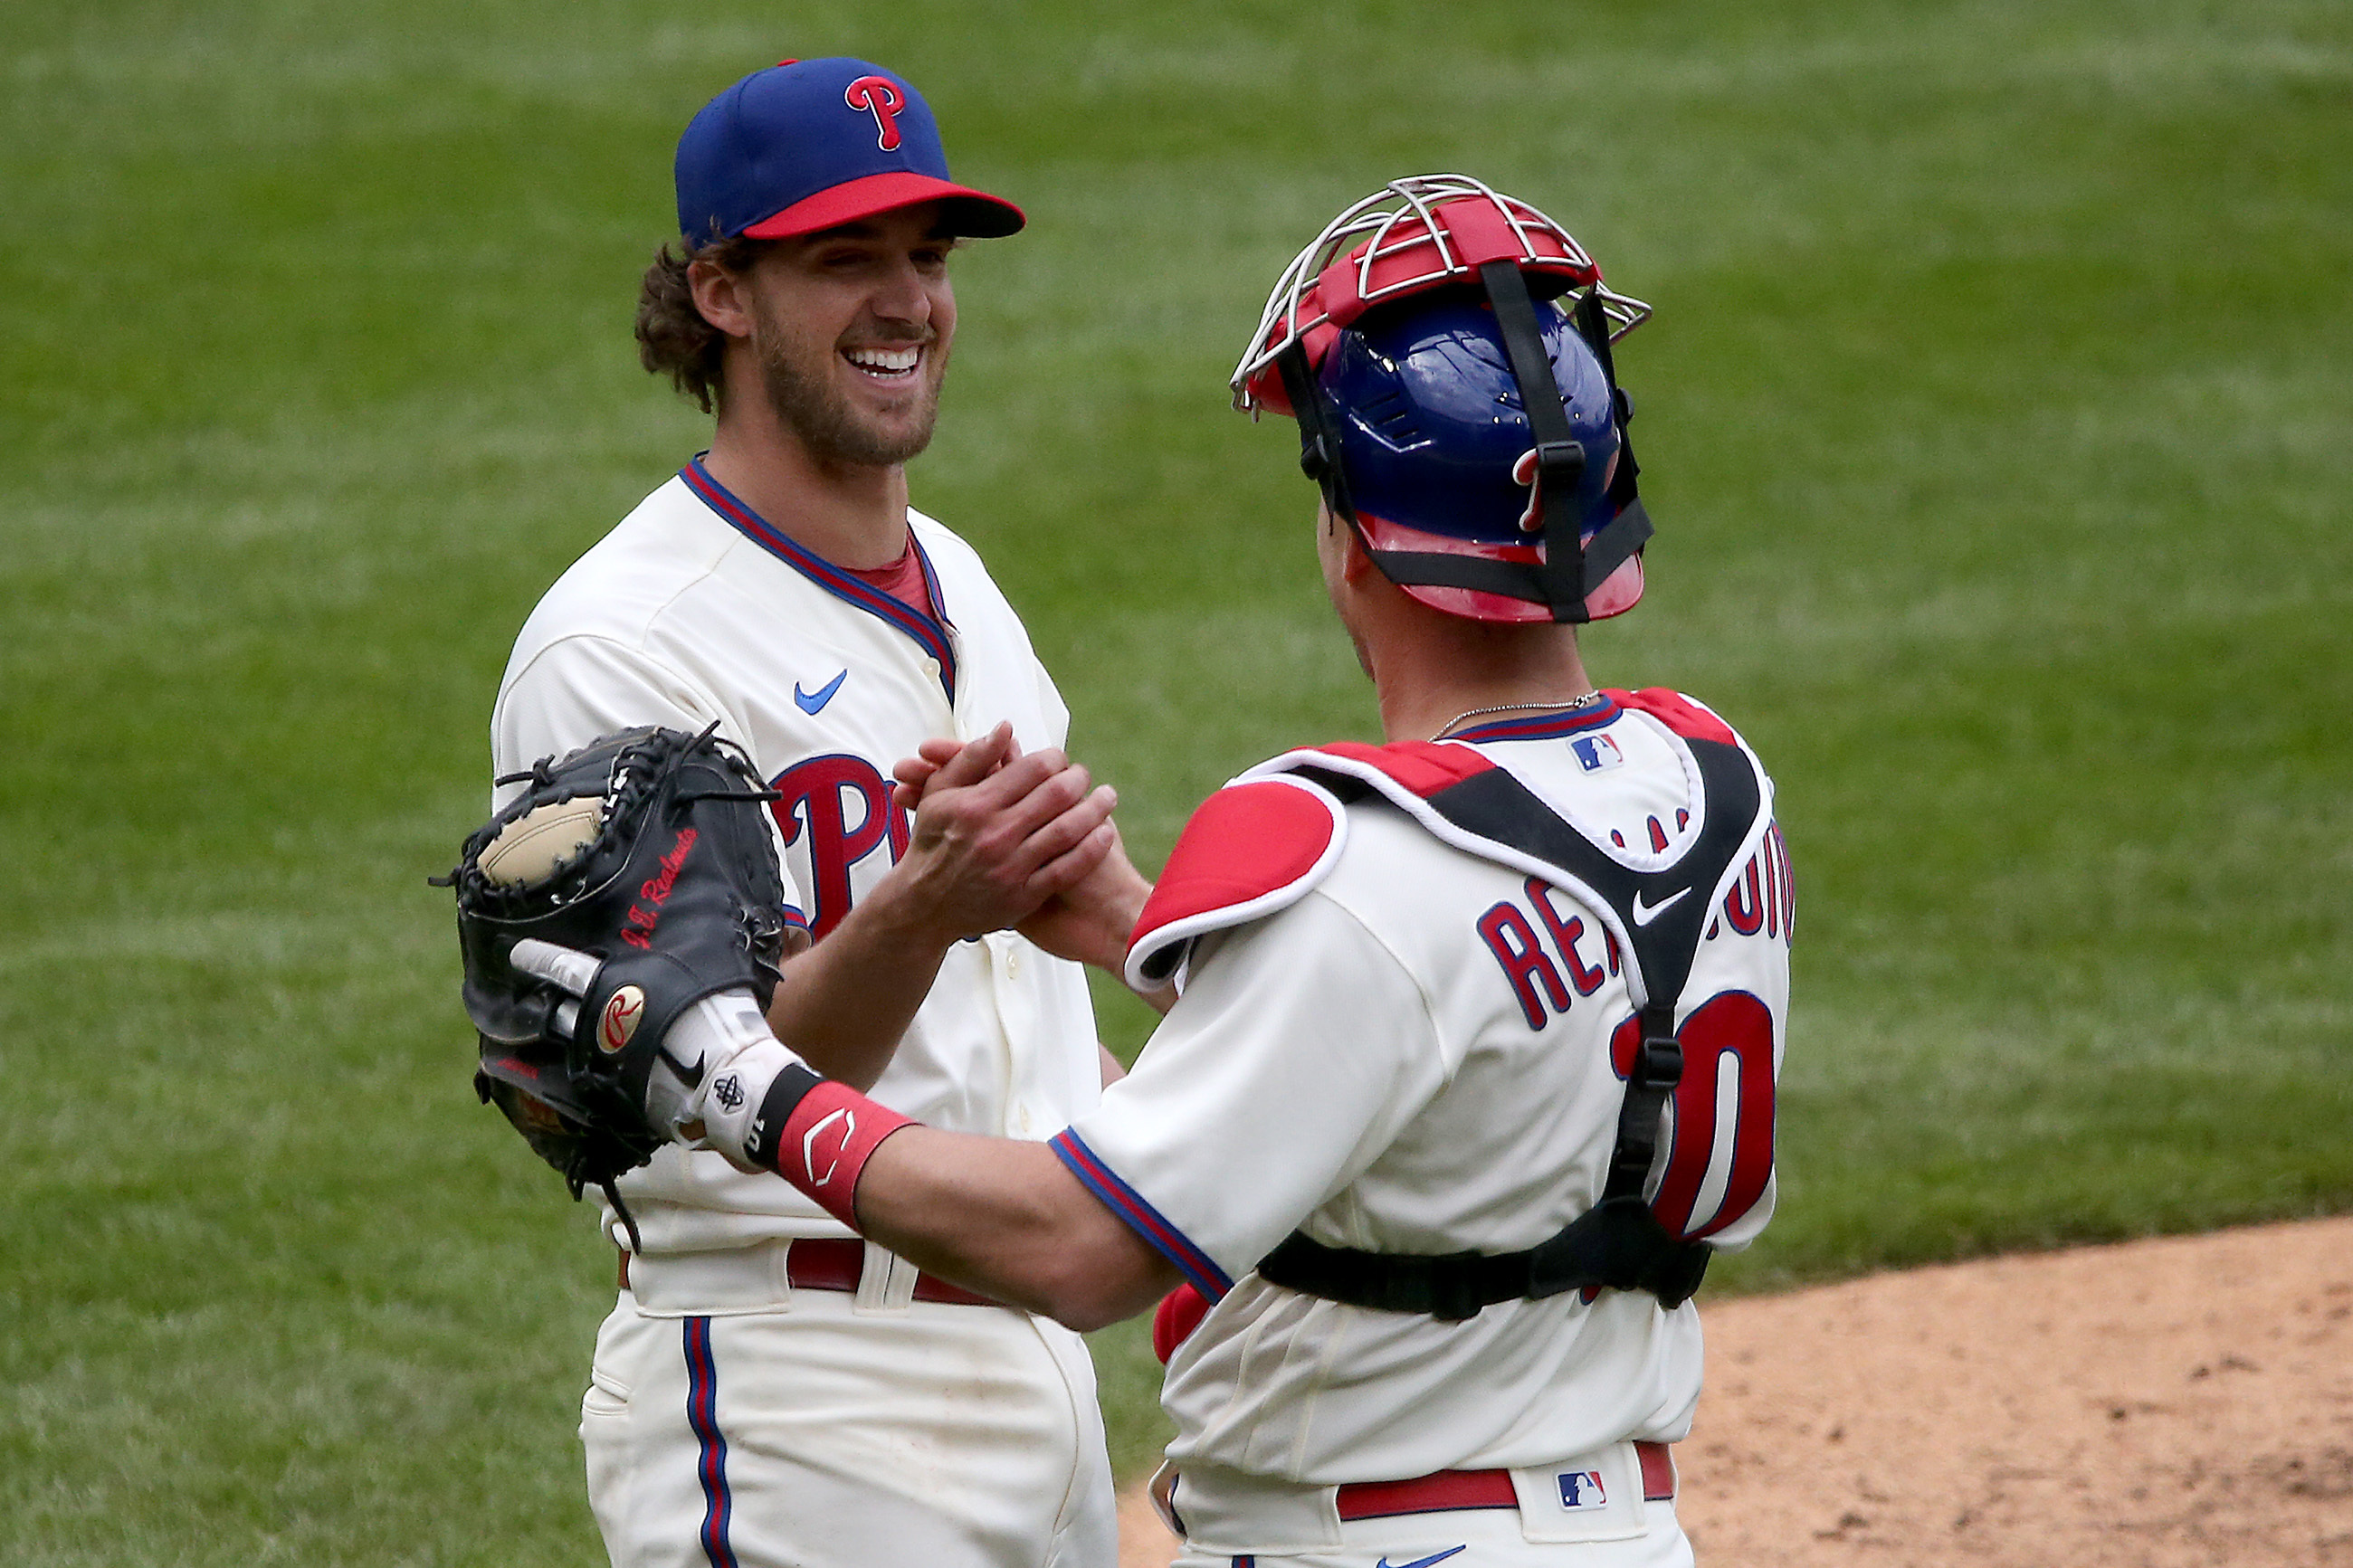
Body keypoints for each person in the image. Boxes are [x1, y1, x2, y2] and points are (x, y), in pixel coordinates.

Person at [532, 176, 1794, 1567]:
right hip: (1615, 1520)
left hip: (1370, 1536)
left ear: (1352, 532)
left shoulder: (1352, 853)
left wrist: (732, 1071)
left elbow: (1089, 1244)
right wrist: (1135, 924)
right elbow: (1437, 1036)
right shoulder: (1716, 788)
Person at [490, 56, 1154, 1568]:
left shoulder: (963, 584)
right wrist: (923, 905)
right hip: (798, 1396)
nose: (908, 301)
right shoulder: (622, 650)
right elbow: (695, 1096)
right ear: (721, 291)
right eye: (846, 259)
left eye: (926, 257)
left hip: (1040, 1367)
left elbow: (1019, 1022)